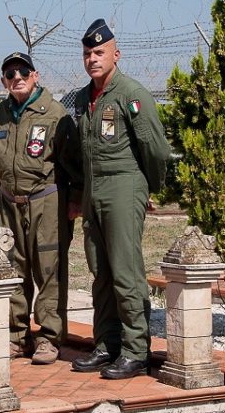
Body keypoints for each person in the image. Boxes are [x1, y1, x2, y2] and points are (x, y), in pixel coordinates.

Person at [70, 19, 171, 379]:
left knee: (126, 272)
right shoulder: (83, 98)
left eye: (99, 52)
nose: (92, 59)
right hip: (94, 190)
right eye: (87, 54)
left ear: (116, 53)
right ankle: (108, 343)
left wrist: (146, 189)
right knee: (100, 272)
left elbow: (155, 149)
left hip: (123, 185)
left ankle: (135, 350)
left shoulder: (132, 94)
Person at [0, 51, 83, 365]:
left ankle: (48, 338)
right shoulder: (0, 113)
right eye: (10, 73)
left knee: (49, 271)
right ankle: (17, 336)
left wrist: (74, 201)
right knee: (12, 271)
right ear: (3, 80)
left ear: (35, 76)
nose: (17, 78)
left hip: (46, 203)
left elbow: (72, 163)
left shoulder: (54, 114)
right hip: (9, 204)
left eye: (23, 72)